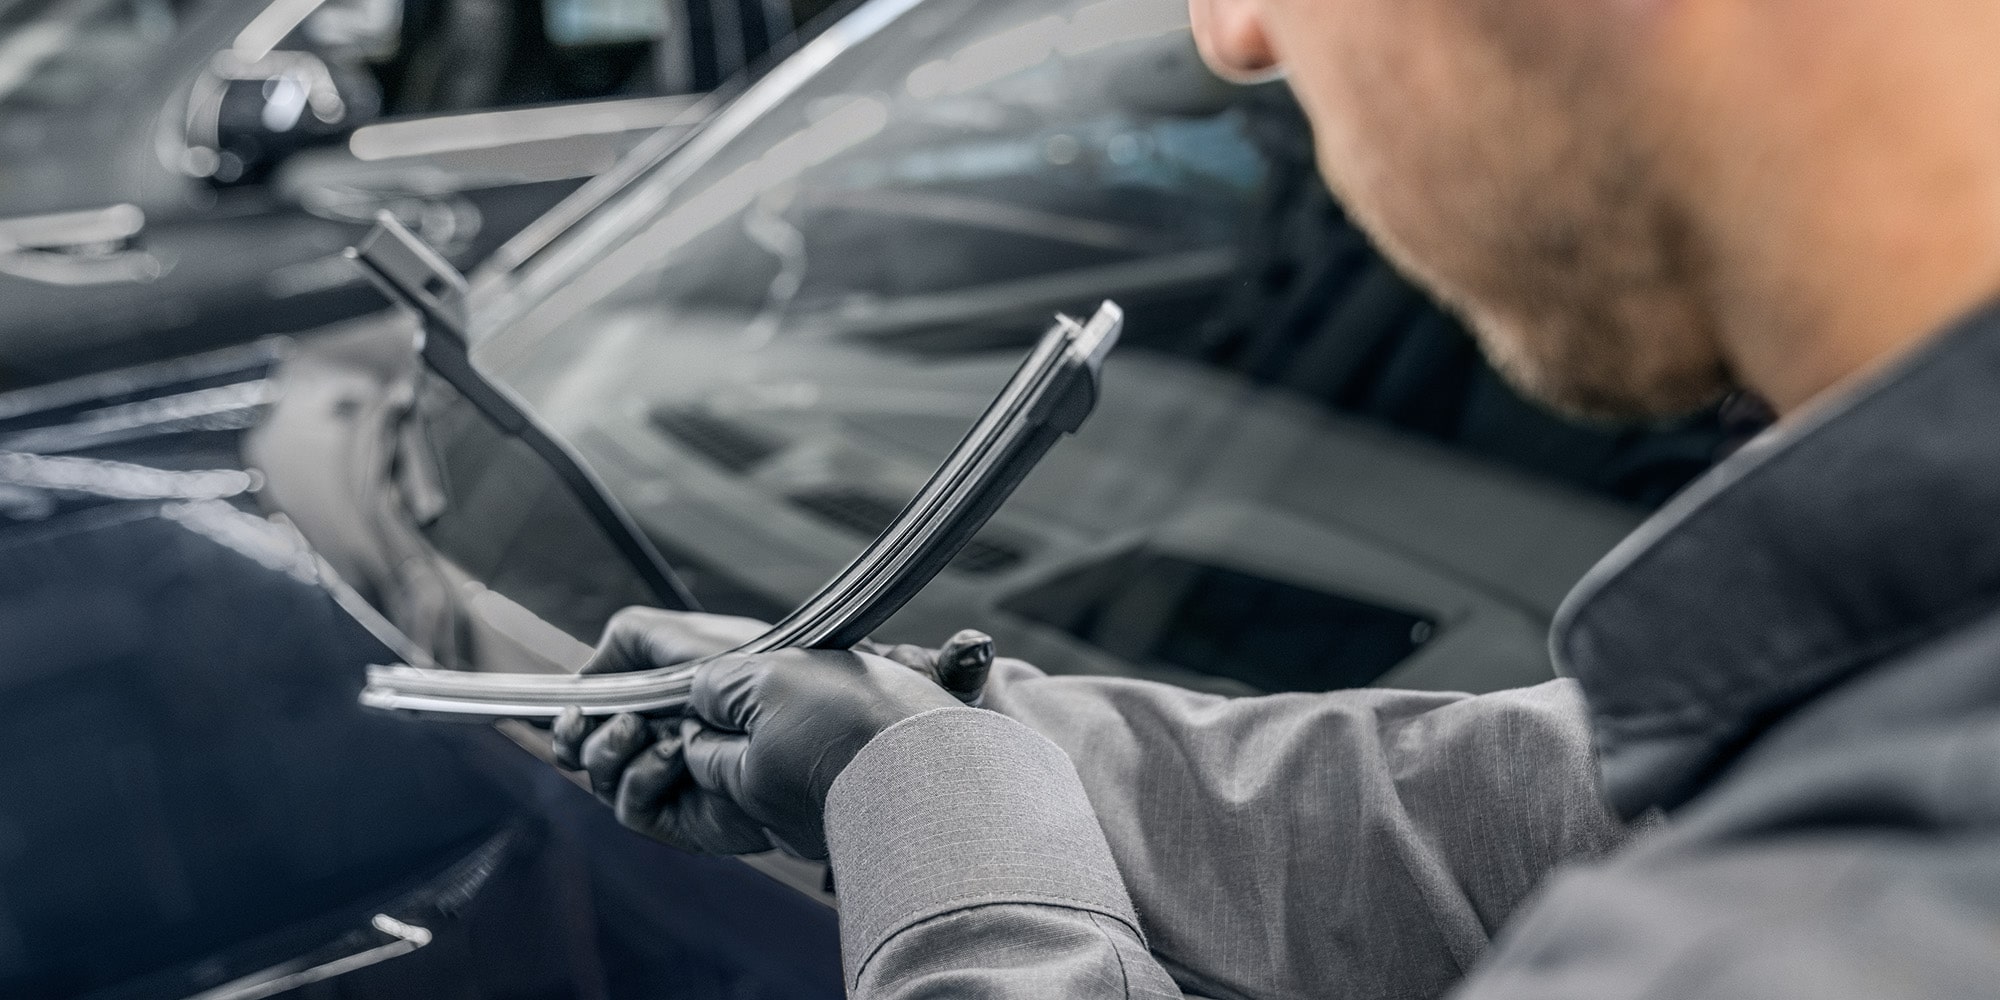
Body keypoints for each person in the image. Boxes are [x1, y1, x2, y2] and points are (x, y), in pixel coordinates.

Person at [552, 1, 2000, 996]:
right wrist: (960, 755)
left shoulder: (1832, 935)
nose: (1230, 34)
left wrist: (954, 847)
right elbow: (1557, 810)